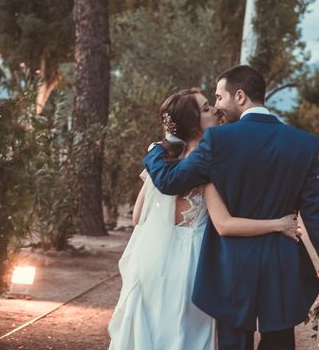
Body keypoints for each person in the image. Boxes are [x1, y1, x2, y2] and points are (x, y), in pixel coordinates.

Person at [143, 66, 319, 350]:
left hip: (231, 267)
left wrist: (155, 150)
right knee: (279, 343)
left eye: (219, 97)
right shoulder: (305, 144)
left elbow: (169, 181)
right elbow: (316, 217)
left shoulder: (218, 141)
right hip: (282, 265)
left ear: (239, 96)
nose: (216, 108)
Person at [108, 88, 302, 350]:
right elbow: (224, 224)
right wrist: (279, 224)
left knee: (152, 336)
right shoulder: (210, 164)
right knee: (184, 337)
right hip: (192, 268)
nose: (215, 110)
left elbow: (137, 216)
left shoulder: (162, 160)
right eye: (207, 108)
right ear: (195, 125)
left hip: (151, 264)